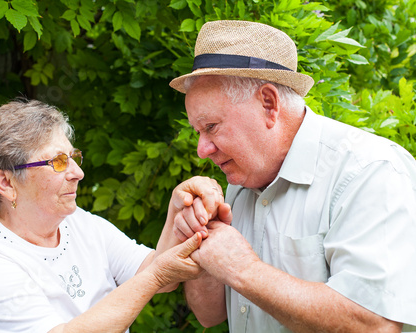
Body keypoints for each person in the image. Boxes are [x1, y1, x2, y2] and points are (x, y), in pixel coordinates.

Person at [168, 20, 416, 332]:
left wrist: (243, 269)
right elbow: (209, 314)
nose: (202, 149)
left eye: (212, 127)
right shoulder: (242, 178)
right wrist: (201, 243)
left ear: (268, 104)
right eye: (198, 131)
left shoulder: (370, 171)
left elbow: (374, 325)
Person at [0, 99, 225, 332]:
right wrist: (157, 273)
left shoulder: (79, 223)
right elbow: (156, 274)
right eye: (58, 162)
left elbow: (158, 275)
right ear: (6, 183)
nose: (78, 173)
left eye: (73, 157)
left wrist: (178, 212)